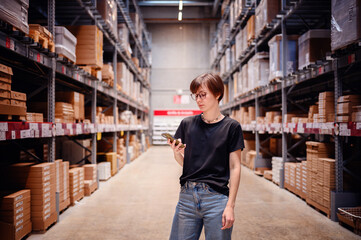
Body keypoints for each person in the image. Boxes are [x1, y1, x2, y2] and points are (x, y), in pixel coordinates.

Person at [168, 73, 244, 240]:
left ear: (217, 94)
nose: (199, 99)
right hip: (187, 197)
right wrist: (177, 152)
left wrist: (230, 206)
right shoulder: (187, 124)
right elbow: (185, 164)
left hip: (216, 199)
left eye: (203, 94)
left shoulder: (231, 127)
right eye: (196, 95)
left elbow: (235, 167)